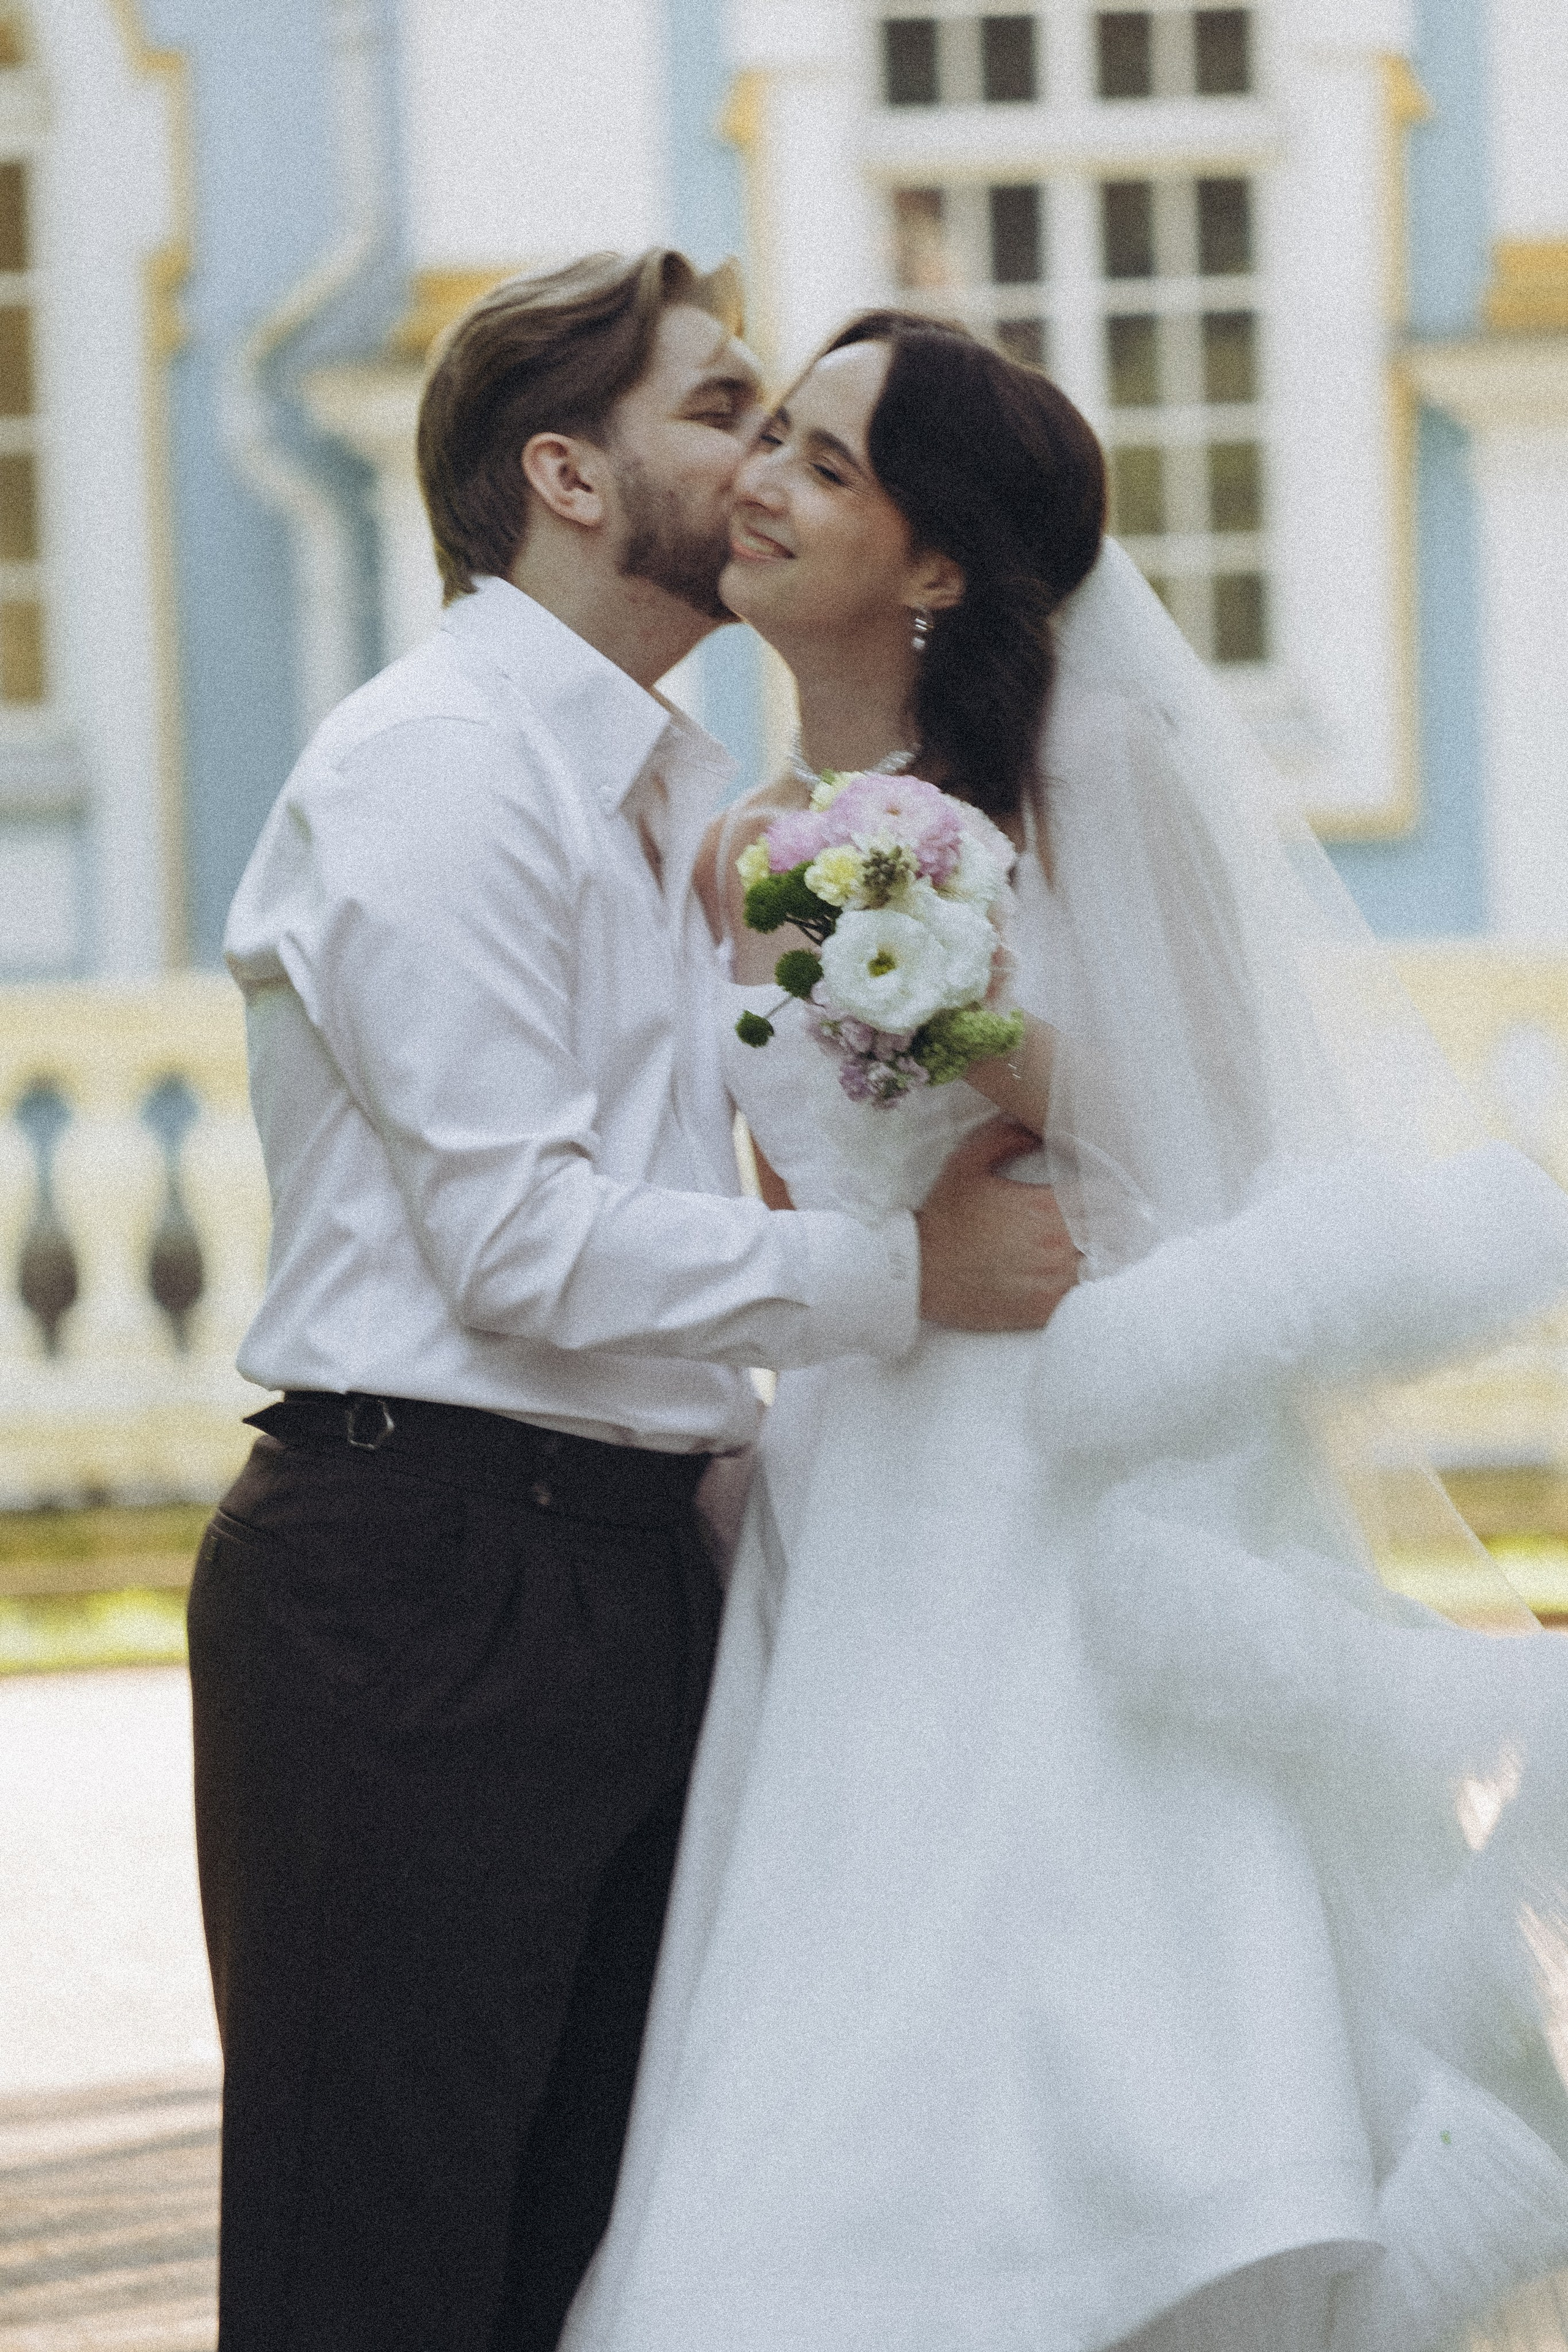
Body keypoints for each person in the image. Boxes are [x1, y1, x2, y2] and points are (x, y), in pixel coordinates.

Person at [560, 314, 1568, 2352]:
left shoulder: (1092, 767)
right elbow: (785, 1199)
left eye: (829, 464)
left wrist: (961, 1014)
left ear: (937, 561)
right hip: (861, 1488)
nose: (765, 483)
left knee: (1109, 1999)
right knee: (848, 1998)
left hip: (1080, 1477)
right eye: (772, 440)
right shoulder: (741, 845)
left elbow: (1232, 1136)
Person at [189, 258, 1079, 2352]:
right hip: (419, 1584)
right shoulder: (437, 767)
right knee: (376, 2278)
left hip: (629, 1571)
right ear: (568, 475)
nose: (764, 461)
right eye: (724, 411)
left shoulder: (691, 805)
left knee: (577, 2275)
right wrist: (903, 1277)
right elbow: (517, 1242)